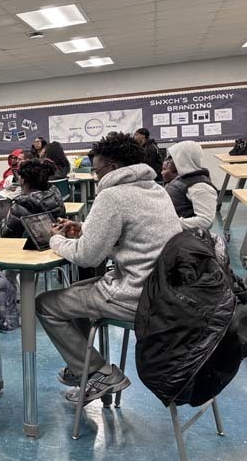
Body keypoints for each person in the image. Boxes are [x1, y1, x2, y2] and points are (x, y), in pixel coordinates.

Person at [38, 133, 182, 404]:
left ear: (113, 168)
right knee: (75, 292)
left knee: (45, 304)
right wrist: (84, 230)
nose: (95, 177)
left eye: (97, 171)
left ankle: (97, 372)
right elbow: (135, 235)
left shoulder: (113, 196)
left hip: (134, 296)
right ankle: (80, 366)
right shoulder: (156, 190)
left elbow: (87, 257)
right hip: (163, 292)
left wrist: (54, 239)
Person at [0, 159, 65, 238]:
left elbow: (6, 234)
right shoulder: (55, 195)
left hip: (26, 248)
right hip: (55, 242)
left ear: (22, 180)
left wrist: (5, 217)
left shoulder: (19, 206)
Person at [164, 141, 217, 230]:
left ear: (182, 159)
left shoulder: (201, 187)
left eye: (172, 158)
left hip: (180, 236)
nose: (168, 162)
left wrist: (171, 223)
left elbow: (205, 221)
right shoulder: (184, 177)